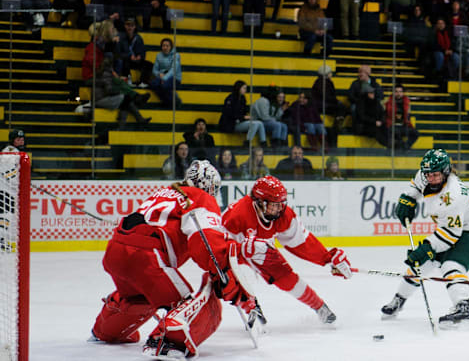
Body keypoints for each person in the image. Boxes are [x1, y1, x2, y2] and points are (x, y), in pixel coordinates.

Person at [89, 160, 256, 359]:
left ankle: (106, 331)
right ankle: (168, 343)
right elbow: (205, 241)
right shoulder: (201, 197)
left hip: (115, 252)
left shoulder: (165, 192)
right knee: (190, 307)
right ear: (209, 185)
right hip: (146, 257)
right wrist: (222, 272)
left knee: (137, 298)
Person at [381, 149, 469, 325]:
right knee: (421, 264)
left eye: (435, 175)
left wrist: (427, 248)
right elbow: (415, 186)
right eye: (428, 174)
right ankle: (399, 299)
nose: (430, 178)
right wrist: (407, 200)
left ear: (446, 172)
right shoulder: (426, 173)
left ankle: (463, 306)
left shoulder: (453, 196)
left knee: (451, 265)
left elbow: (450, 235)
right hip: (452, 227)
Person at [222, 176, 352, 324]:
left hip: (261, 249)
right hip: (234, 249)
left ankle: (319, 306)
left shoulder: (283, 215)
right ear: (259, 202)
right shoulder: (237, 216)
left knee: (284, 274)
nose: (279, 209)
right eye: (273, 205)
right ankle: (249, 306)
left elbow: (302, 242)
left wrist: (328, 258)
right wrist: (241, 249)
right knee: (226, 279)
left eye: (281, 204)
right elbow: (219, 250)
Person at [218, 80, 266, 147]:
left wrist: (247, 116)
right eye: (244, 88)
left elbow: (244, 111)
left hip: (240, 121)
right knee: (255, 124)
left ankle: (263, 142)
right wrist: (243, 117)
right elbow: (229, 114)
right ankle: (248, 141)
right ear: (238, 88)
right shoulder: (230, 98)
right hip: (231, 124)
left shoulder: (243, 98)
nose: (245, 90)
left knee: (260, 123)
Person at [115, 18, 152, 87]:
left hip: (135, 60)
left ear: (135, 26)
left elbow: (142, 51)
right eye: (128, 25)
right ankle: (128, 80)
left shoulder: (138, 38)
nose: (130, 27)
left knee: (149, 65)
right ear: (125, 26)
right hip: (126, 60)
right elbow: (118, 53)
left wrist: (140, 56)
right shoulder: (120, 37)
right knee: (124, 62)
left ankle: (143, 82)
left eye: (132, 25)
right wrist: (129, 56)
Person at [384, 84, 419, 150]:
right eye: (396, 91)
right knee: (396, 132)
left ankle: (406, 146)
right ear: (393, 92)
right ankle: (401, 146)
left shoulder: (407, 102)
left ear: (403, 93)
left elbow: (408, 115)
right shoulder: (387, 102)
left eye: (400, 91)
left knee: (415, 133)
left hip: (403, 126)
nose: (398, 93)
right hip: (392, 125)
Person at [150, 38, 182, 108]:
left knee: (164, 86)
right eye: (163, 45)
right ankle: (167, 101)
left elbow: (173, 70)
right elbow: (154, 70)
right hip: (161, 76)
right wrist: (159, 74)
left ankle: (175, 102)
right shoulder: (159, 55)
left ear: (171, 47)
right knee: (153, 84)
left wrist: (164, 78)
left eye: (167, 46)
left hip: (174, 78)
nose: (165, 47)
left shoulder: (176, 55)